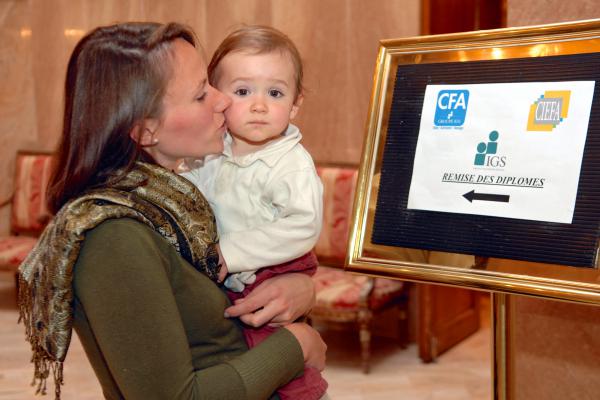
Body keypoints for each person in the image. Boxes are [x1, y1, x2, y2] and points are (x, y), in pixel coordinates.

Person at [17, 22, 326, 400]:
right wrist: (298, 344)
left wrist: (302, 289)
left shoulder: (172, 197)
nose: (224, 101)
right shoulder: (114, 236)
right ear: (146, 131)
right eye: (201, 94)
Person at [182, 25, 326, 400]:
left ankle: (306, 394)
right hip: (226, 273)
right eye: (243, 91)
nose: (259, 105)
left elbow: (303, 225)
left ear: (295, 104)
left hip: (275, 267)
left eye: (275, 93)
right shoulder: (212, 152)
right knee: (229, 349)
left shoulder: (290, 163)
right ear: (216, 97)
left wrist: (232, 251)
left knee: (271, 346)